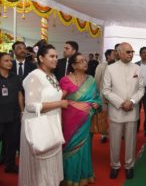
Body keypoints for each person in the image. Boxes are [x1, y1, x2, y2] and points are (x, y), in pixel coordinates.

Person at [19, 42, 68, 186]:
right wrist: (60, 104)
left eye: (57, 56)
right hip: (38, 125)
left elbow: (51, 96)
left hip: (53, 124)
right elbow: (31, 105)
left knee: (50, 165)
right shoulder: (34, 76)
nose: (55, 59)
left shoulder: (51, 76)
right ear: (41, 58)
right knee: (39, 169)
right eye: (51, 56)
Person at [103, 42, 144, 180]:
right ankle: (114, 166)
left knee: (131, 141)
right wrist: (121, 103)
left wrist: (132, 101)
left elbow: (141, 89)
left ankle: (129, 166)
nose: (131, 54)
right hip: (116, 111)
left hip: (132, 110)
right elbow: (106, 90)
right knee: (114, 141)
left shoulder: (137, 68)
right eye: (128, 52)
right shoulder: (110, 69)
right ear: (119, 53)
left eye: (132, 52)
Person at [60, 52, 102, 185]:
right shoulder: (65, 80)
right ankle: (68, 177)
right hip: (69, 120)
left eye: (85, 60)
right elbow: (59, 98)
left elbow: (97, 98)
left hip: (85, 120)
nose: (85, 63)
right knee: (69, 147)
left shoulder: (91, 80)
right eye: (81, 61)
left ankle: (84, 176)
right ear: (73, 65)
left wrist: (97, 104)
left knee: (84, 147)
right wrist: (76, 105)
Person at [0, 53, 24, 173]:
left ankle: (10, 165)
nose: (10, 63)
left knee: (12, 142)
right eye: (6, 61)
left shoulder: (15, 77)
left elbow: (20, 94)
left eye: (11, 60)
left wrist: (22, 110)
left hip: (13, 116)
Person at [94, 49, 116, 143]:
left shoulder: (117, 66)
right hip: (103, 96)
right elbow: (97, 80)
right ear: (108, 56)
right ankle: (104, 135)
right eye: (114, 54)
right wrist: (97, 95)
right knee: (103, 116)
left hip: (115, 96)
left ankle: (116, 134)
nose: (116, 55)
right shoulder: (101, 66)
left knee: (114, 116)